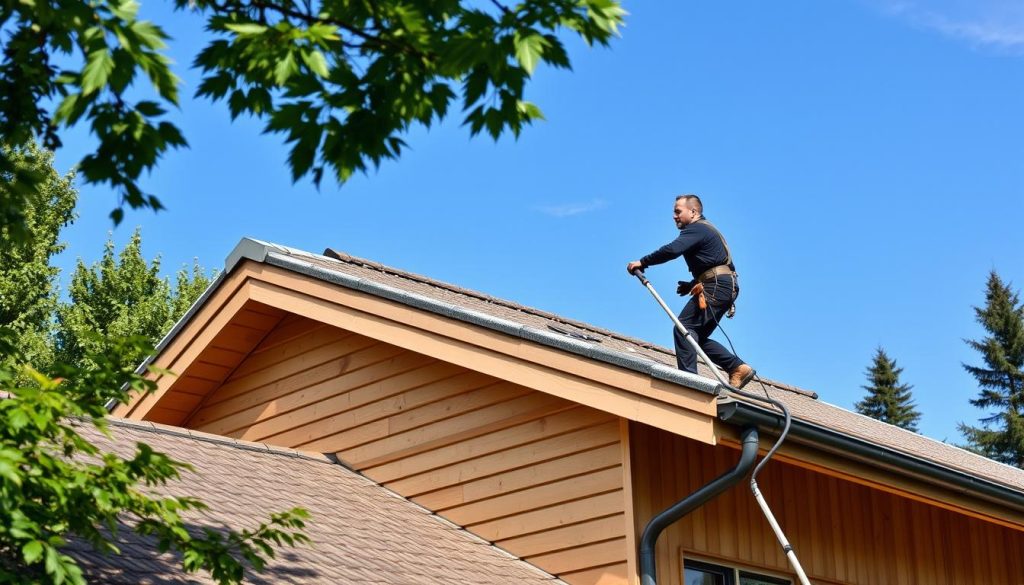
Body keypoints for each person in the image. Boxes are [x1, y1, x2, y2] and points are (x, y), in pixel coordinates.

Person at [626, 194, 755, 388]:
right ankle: (737, 368)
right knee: (695, 338)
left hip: (717, 285)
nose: (674, 216)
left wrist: (642, 262)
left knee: (683, 329)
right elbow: (714, 261)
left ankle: (689, 383)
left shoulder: (697, 229)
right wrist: (694, 282)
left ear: (693, 212)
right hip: (723, 285)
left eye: (678, 211)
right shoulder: (705, 230)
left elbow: (672, 250)